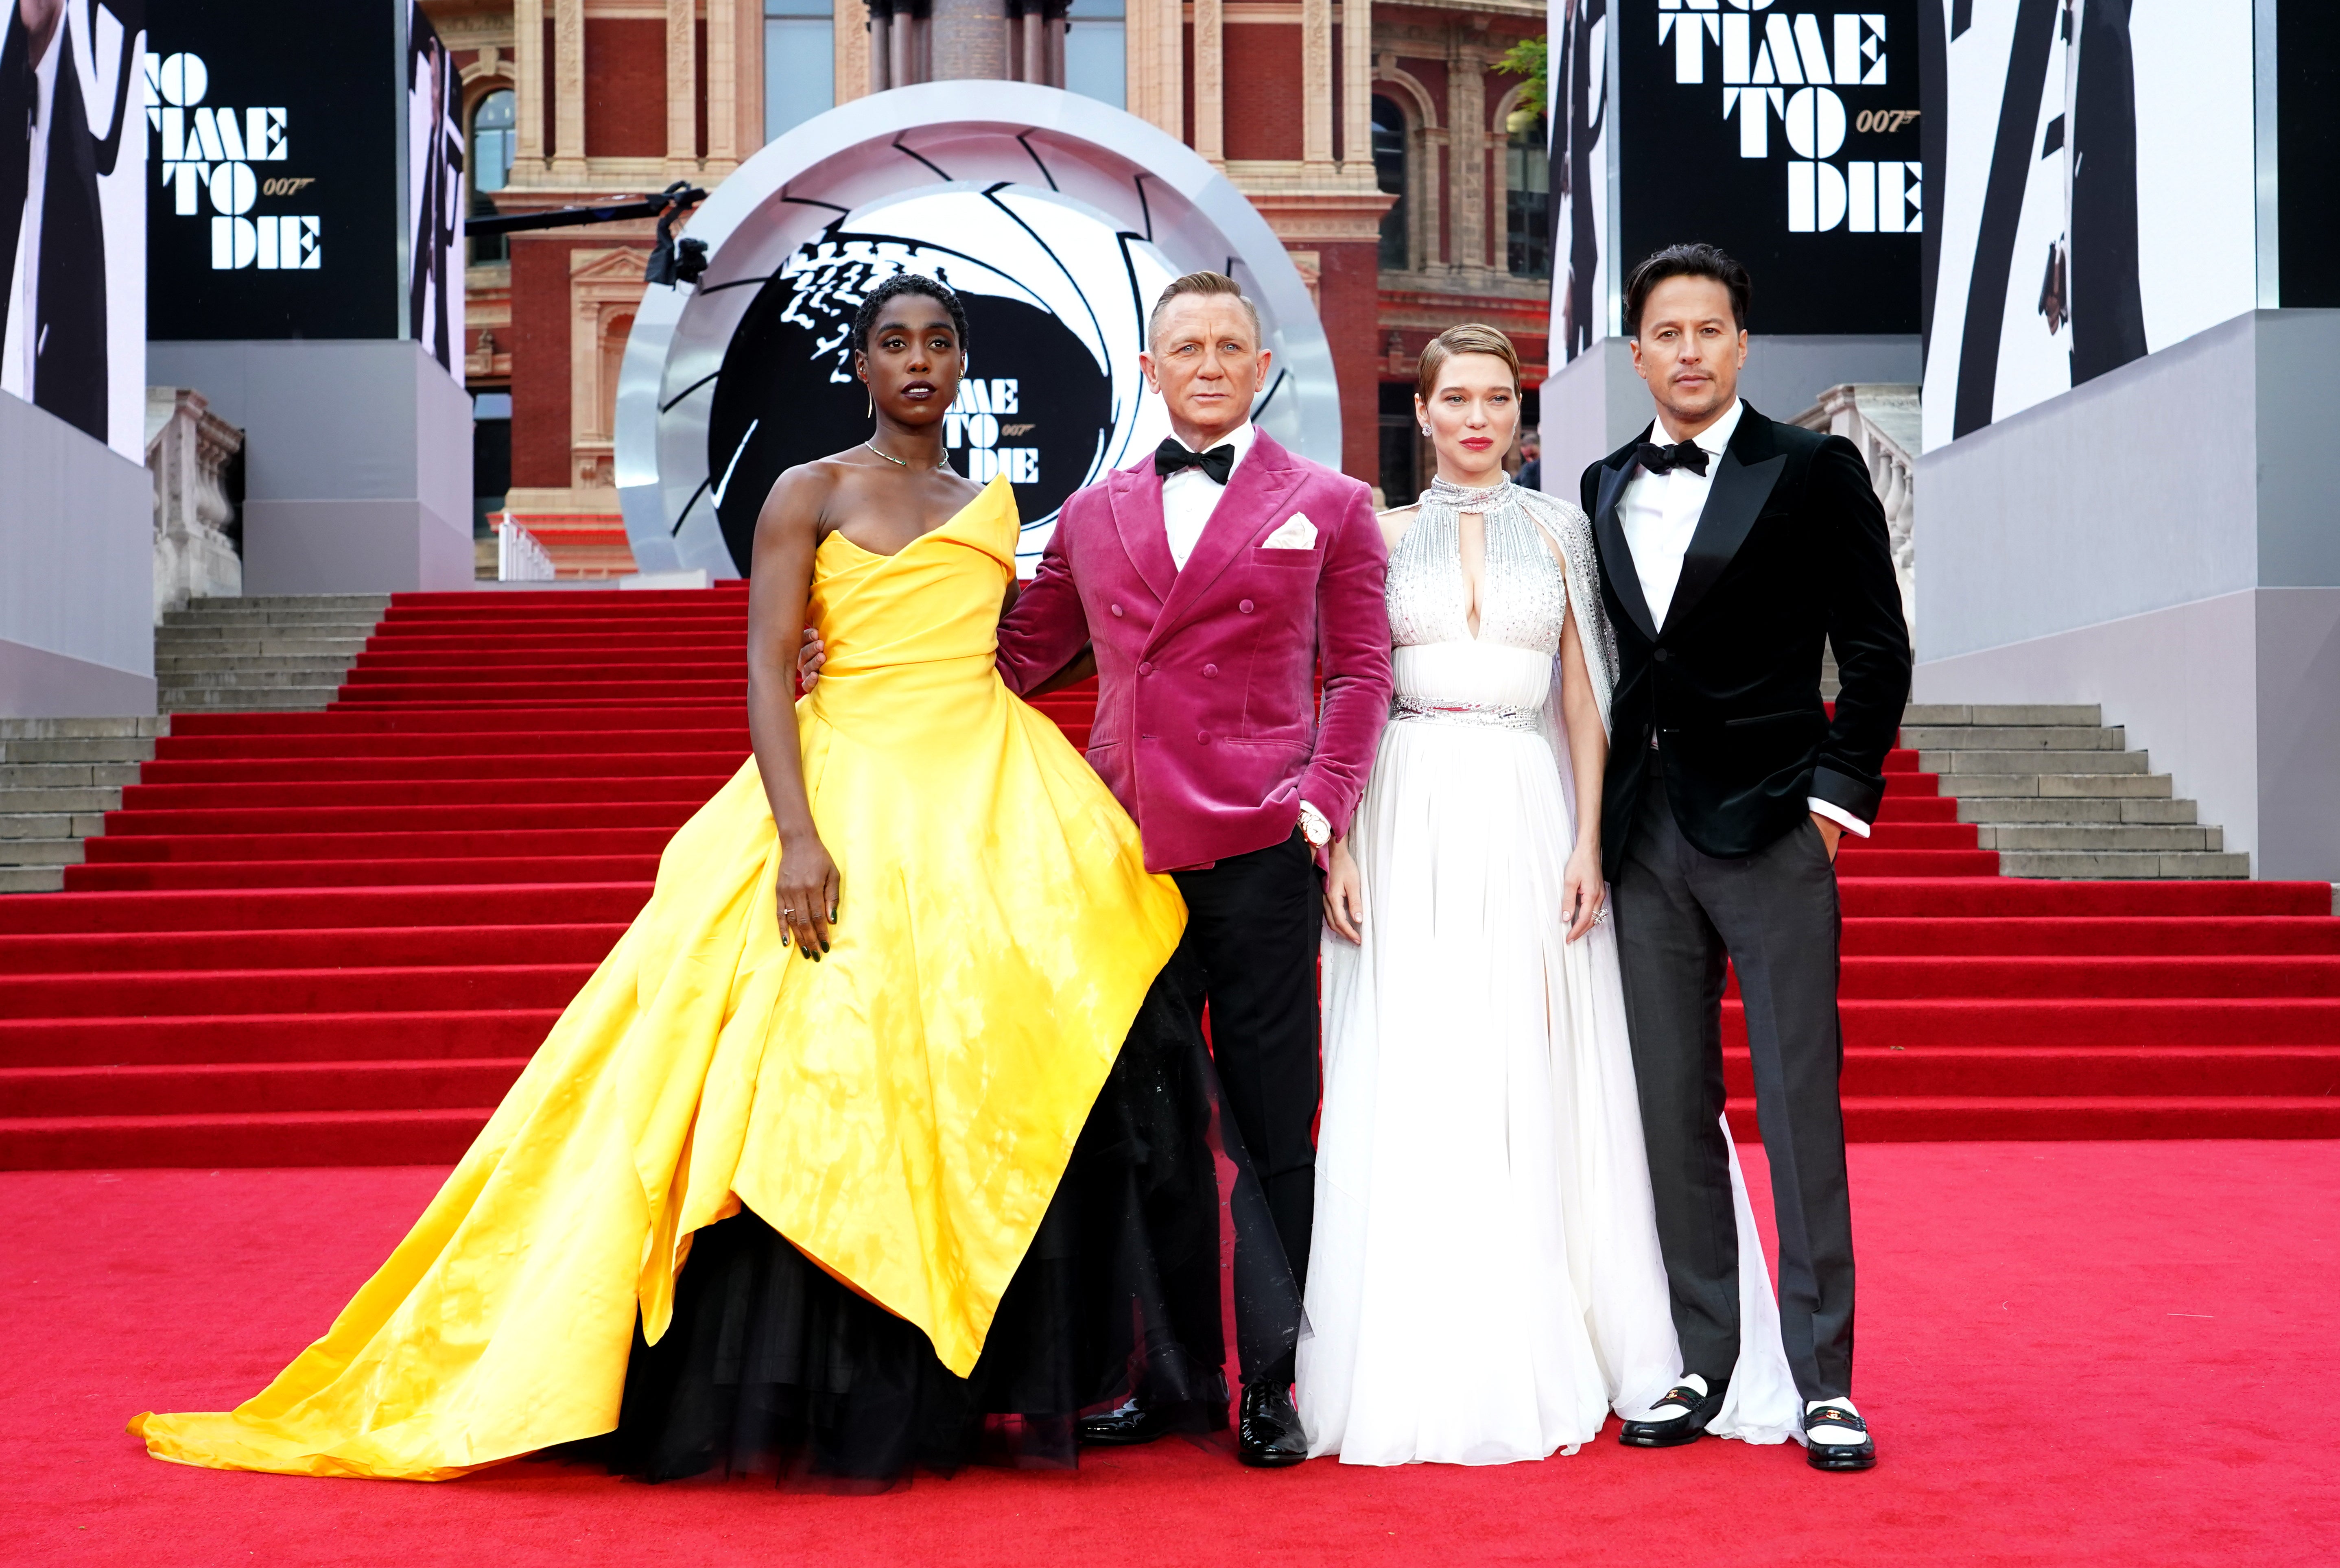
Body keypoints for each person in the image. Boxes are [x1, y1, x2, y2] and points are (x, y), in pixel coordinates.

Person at [129, 274, 1277, 1486]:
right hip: (842, 795)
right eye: (895, 344)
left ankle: (979, 1369)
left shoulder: (990, 504)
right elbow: (768, 671)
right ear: (865, 366)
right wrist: (796, 838)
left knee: (995, 1063)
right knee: (815, 1074)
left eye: (941, 343)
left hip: (990, 804)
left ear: (961, 364)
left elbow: (1023, 649)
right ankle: (796, 1376)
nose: (919, 363)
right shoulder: (809, 491)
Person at [808, 271, 1394, 1464]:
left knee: (1277, 1124)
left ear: (1262, 365)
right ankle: (1164, 1372)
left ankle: (1275, 1379)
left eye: (1232, 345)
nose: (1212, 364)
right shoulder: (1091, 513)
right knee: (1142, 1129)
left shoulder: (1330, 505)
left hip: (1260, 851)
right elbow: (1015, 658)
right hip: (1115, 861)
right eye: (1188, 347)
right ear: (1151, 368)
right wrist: (862, 654)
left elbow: (1362, 673)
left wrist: (1319, 809)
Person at [1297, 324, 1798, 1466]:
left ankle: (1584, 1319)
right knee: (1423, 1062)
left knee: (1542, 1056)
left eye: (1496, 401)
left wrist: (1587, 846)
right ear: (1419, 413)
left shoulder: (1566, 528)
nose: (1477, 419)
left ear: (1520, 420)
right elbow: (1355, 694)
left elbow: (1586, 704)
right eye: (1454, 399)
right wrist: (1350, 843)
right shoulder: (1371, 535)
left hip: (1530, 810)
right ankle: (1425, 1336)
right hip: (1409, 803)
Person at [1582, 244, 1911, 1472]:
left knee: (1799, 1105)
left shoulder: (1814, 470)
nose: (1688, 352)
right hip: (1647, 837)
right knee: (1672, 1111)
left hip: (1773, 824)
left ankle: (1826, 1380)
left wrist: (1835, 798)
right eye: (1666, 333)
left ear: (1742, 345)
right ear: (1639, 352)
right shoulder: (1605, 478)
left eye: (1710, 330)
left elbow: (1877, 651)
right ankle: (1704, 1363)